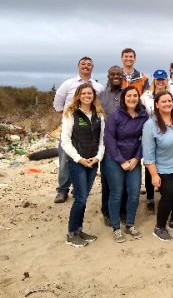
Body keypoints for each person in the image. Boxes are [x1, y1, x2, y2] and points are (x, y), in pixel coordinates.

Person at [53, 56, 104, 203]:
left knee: (86, 157)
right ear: (78, 66)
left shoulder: (98, 87)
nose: (86, 66)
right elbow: (58, 104)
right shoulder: (68, 84)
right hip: (71, 128)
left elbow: (99, 105)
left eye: (89, 64)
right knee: (65, 160)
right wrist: (69, 116)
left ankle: (79, 187)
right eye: (83, 64)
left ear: (92, 68)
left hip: (89, 130)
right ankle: (62, 190)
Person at [142, 91, 173, 241]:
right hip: (164, 168)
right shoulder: (150, 125)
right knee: (169, 195)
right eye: (163, 101)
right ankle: (159, 227)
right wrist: (154, 174)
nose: (167, 103)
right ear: (157, 104)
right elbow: (148, 154)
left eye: (170, 100)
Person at [61, 83, 105, 247]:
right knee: (80, 198)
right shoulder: (71, 113)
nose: (87, 96)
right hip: (77, 162)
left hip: (92, 162)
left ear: (94, 96)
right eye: (84, 93)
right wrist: (78, 158)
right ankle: (71, 234)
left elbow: (102, 139)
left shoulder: (98, 114)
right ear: (78, 95)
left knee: (84, 197)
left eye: (90, 93)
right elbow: (65, 141)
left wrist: (98, 157)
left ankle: (79, 230)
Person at [103, 86, 149, 243]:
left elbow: (146, 139)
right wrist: (121, 160)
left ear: (138, 98)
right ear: (124, 98)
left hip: (134, 159)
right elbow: (109, 140)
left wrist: (136, 158)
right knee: (116, 193)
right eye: (128, 96)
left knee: (134, 192)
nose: (132, 98)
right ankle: (116, 227)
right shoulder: (115, 115)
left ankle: (130, 224)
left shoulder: (144, 116)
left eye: (135, 96)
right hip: (114, 159)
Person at [140, 68, 171, 213]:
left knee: (164, 164)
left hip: (167, 132)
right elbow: (141, 112)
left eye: (163, 79)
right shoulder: (146, 96)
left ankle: (165, 193)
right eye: (158, 79)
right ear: (154, 80)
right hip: (151, 131)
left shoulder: (170, 95)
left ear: (166, 80)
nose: (160, 82)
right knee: (150, 163)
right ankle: (150, 198)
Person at [99, 66, 124, 226]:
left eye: (118, 74)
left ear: (122, 77)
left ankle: (122, 210)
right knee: (108, 181)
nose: (116, 76)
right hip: (106, 144)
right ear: (108, 76)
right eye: (113, 74)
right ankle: (107, 212)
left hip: (125, 143)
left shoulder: (127, 94)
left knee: (125, 180)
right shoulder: (100, 96)